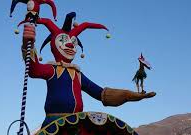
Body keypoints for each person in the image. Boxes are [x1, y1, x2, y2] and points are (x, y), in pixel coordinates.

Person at [22, 16, 155, 127]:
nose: (70, 45)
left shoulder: (78, 75)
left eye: (73, 42)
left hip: (76, 123)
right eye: (63, 40)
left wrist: (130, 95)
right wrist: (28, 44)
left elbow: (102, 94)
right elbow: (34, 70)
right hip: (53, 123)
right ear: (54, 43)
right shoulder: (52, 70)